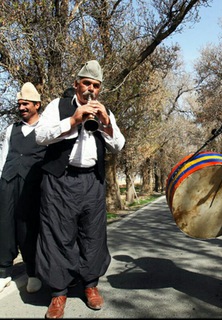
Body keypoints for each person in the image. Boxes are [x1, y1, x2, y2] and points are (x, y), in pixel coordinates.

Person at [34, 60, 125, 319]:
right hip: (60, 181)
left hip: (91, 182)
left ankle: (90, 285)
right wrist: (73, 121)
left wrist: (106, 122)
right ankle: (58, 292)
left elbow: (118, 145)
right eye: (87, 83)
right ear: (76, 84)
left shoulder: (104, 110)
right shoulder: (57, 106)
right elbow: (40, 136)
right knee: (57, 236)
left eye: (96, 86)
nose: (91, 90)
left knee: (93, 235)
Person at [0, 82, 46, 294]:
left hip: (31, 186)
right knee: (4, 227)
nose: (22, 108)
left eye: (26, 104)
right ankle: (4, 272)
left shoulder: (46, 130)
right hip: (8, 183)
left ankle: (33, 273)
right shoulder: (11, 129)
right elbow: (4, 156)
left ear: (37, 105)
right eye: (19, 104)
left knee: (28, 229)